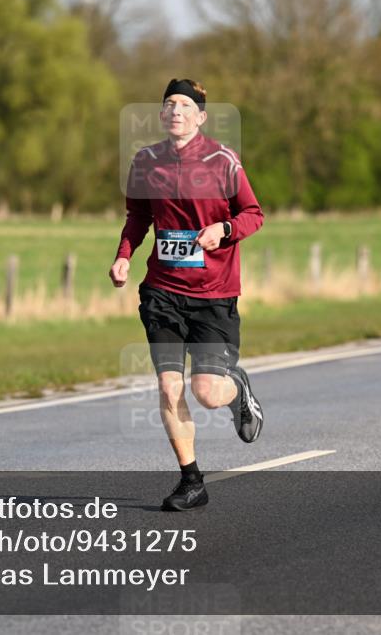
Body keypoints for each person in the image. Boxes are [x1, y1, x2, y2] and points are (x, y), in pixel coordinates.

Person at [108, 78, 265, 511]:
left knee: (207, 393)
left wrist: (225, 230)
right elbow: (137, 216)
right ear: (161, 116)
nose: (175, 110)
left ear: (200, 117)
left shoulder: (223, 161)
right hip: (162, 292)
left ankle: (237, 388)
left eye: (184, 105)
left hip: (214, 294)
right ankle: (191, 481)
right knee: (168, 384)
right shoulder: (146, 162)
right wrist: (124, 256)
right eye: (168, 104)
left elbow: (253, 214)